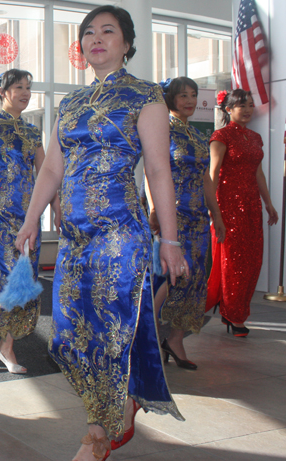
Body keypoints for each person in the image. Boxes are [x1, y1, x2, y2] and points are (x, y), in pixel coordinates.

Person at [16, 6, 187, 461]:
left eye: (107, 31)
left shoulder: (145, 96)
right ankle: (119, 406)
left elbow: (157, 169)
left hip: (118, 236)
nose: (96, 38)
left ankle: (99, 433)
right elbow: (52, 166)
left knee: (110, 333)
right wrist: (31, 220)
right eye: (88, 32)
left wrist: (168, 240)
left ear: (126, 43)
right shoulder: (70, 103)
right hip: (74, 239)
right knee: (70, 335)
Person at [0, 69, 61, 374]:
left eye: (28, 87)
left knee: (26, 283)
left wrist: (56, 207)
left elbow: (45, 174)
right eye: (18, 87)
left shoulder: (33, 132)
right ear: (3, 91)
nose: (25, 92)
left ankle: (6, 347)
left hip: (27, 219)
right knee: (12, 279)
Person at [146, 77, 226, 370]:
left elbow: (205, 177)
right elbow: (151, 170)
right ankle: (146, 334)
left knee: (193, 280)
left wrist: (216, 214)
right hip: (172, 214)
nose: (190, 100)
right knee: (169, 275)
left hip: (197, 218)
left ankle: (175, 339)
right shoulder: (162, 128)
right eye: (183, 96)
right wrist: (154, 208)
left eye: (193, 95)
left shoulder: (195, 133)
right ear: (170, 98)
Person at [206, 89, 278, 336]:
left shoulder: (256, 138)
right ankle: (233, 314)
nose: (247, 110)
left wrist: (268, 203)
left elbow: (258, 173)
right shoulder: (221, 136)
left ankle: (236, 308)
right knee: (232, 261)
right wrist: (213, 211)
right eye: (241, 106)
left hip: (251, 206)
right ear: (228, 109)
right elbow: (213, 174)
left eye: (250, 105)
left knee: (252, 260)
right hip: (227, 206)